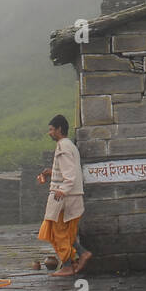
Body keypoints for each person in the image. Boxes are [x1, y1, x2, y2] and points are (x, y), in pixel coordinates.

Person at [36, 115, 91, 276]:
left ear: (59, 129)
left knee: (57, 230)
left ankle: (67, 264)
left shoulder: (63, 147)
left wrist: (63, 189)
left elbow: (70, 174)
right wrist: (51, 172)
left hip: (64, 197)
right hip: (71, 195)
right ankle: (81, 255)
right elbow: (68, 170)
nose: (49, 133)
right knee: (66, 232)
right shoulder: (69, 146)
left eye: (51, 129)